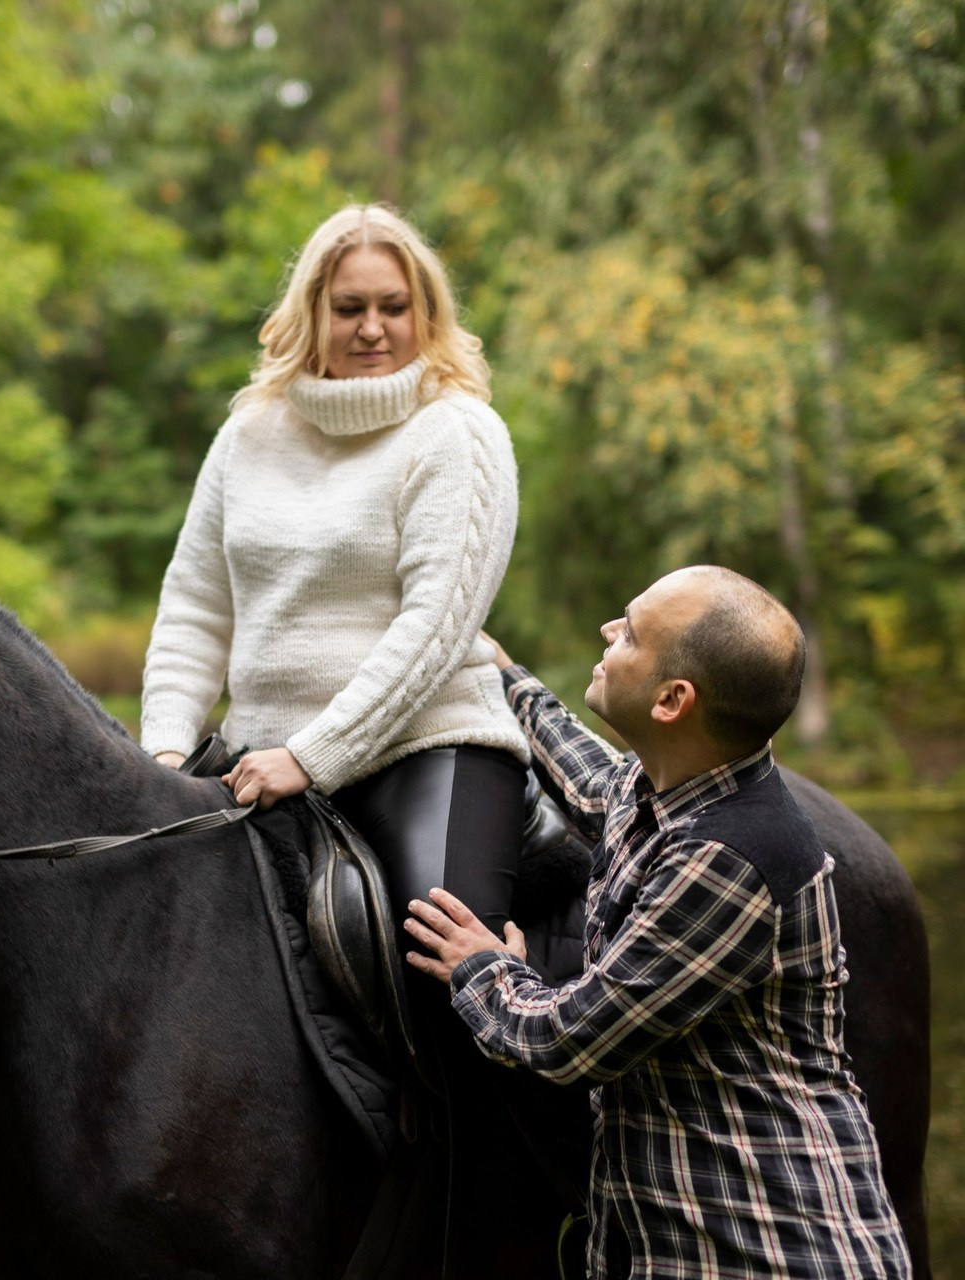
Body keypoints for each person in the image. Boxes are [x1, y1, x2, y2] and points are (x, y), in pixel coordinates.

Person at [404, 565, 912, 1280]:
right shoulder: (681, 788)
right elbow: (595, 782)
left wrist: (482, 966)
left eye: (632, 633)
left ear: (673, 700)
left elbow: (569, 1042)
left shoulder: (733, 859)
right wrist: (505, 673)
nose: (610, 633)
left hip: (768, 1250)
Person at [140, 202, 530, 952]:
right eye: (349, 308)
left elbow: (435, 628)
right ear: (311, 313)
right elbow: (195, 609)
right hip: (256, 761)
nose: (372, 328)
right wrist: (163, 754)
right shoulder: (248, 434)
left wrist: (311, 758)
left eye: (394, 307)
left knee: (441, 958)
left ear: (427, 314)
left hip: (427, 748)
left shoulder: (458, 431)